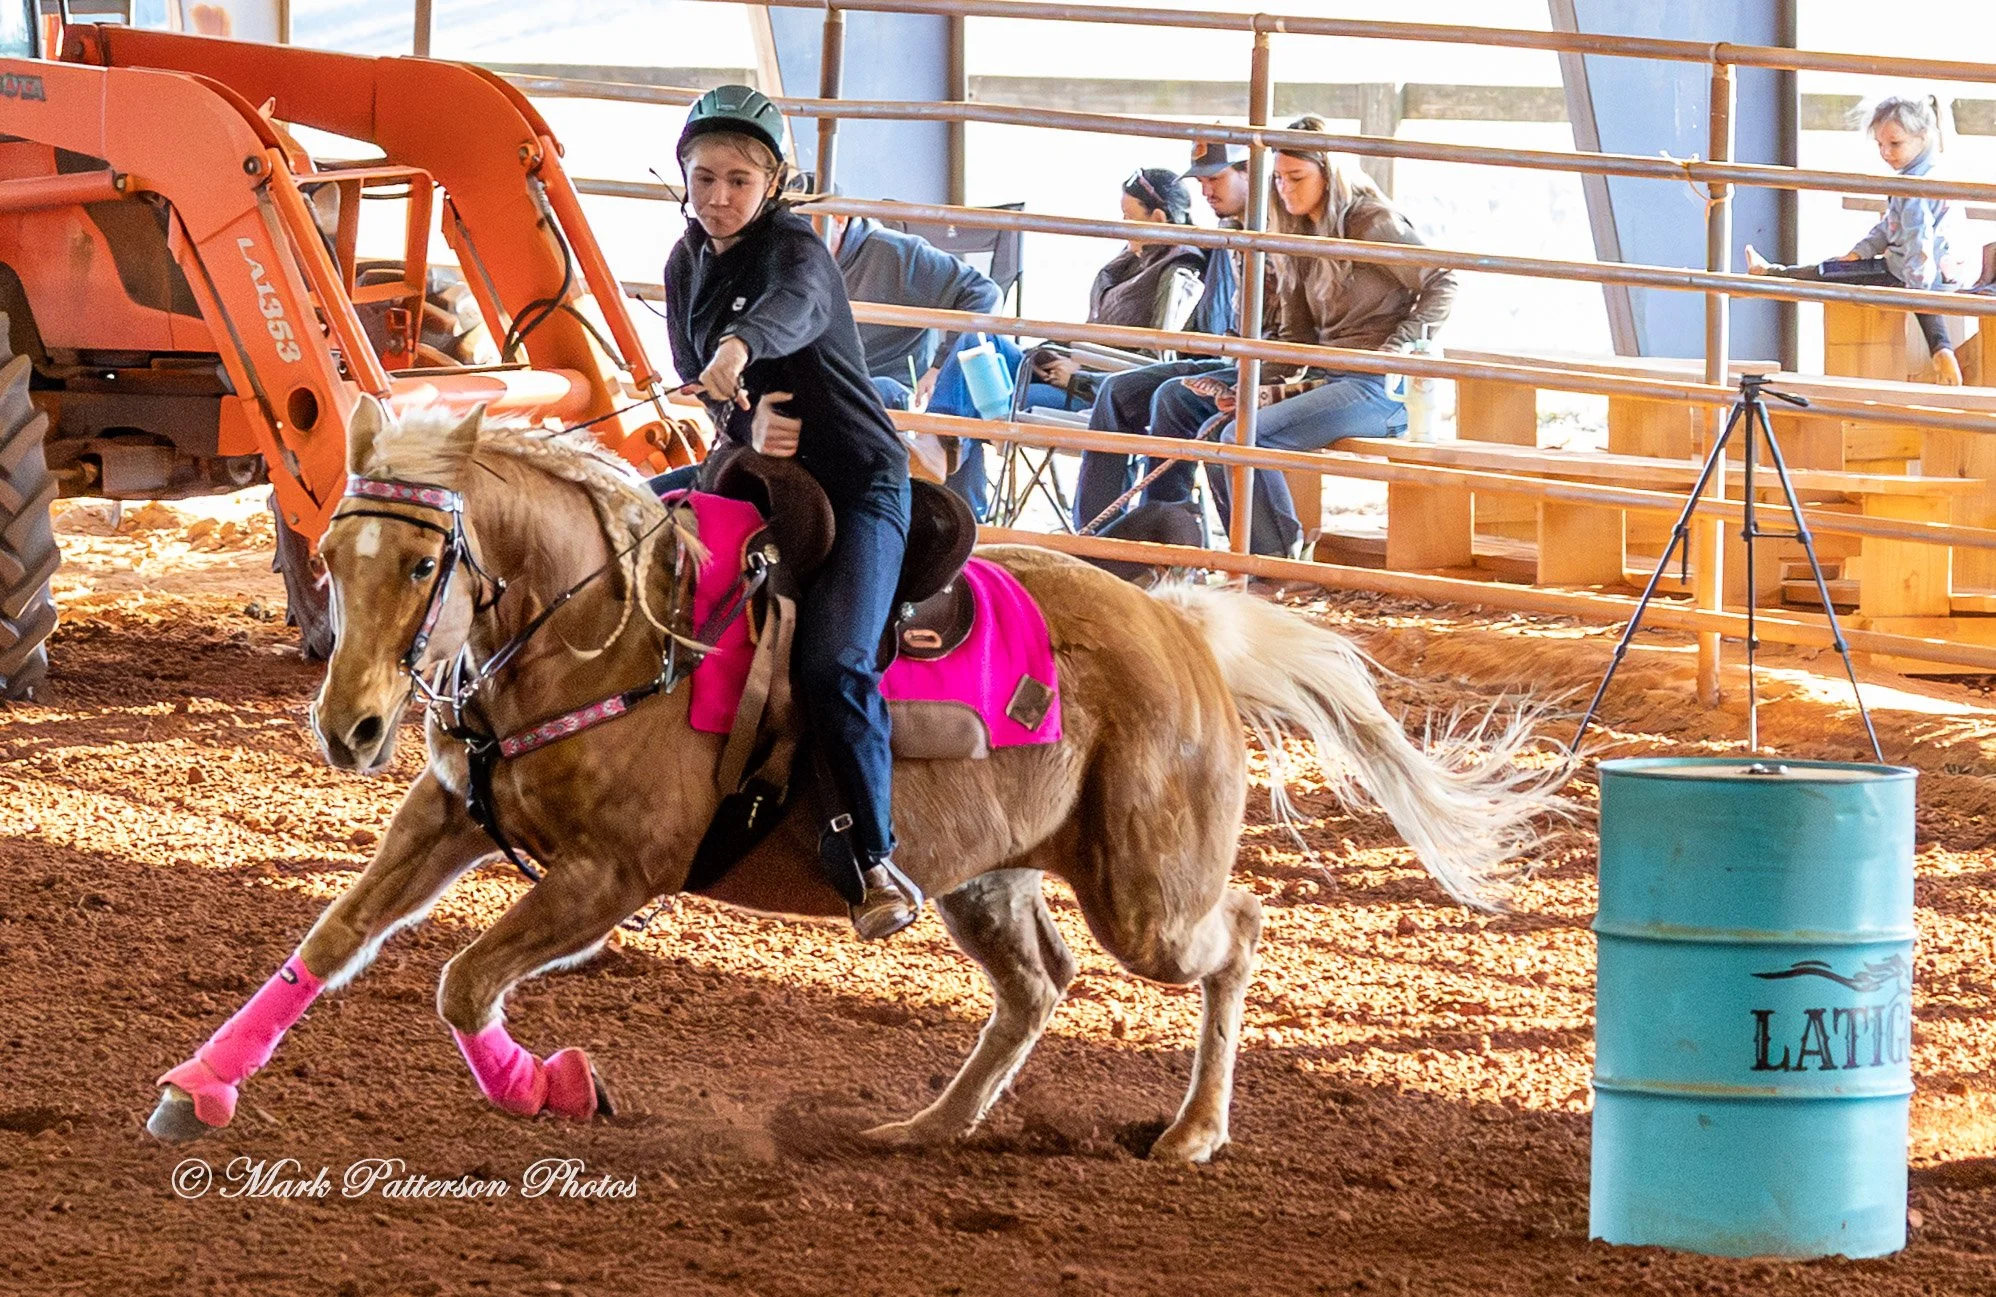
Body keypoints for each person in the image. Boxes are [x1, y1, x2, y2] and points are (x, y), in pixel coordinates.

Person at [660, 86, 922, 939]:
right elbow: (705, 385)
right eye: (704, 178)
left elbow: (792, 309)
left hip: (857, 482)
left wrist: (739, 350)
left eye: (739, 181)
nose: (718, 197)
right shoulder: (684, 263)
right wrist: (745, 424)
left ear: (773, 185)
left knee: (834, 662)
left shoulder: (798, 251)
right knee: (629, 532)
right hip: (763, 475)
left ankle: (873, 858)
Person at [1145, 116, 1457, 558]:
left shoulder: (1370, 220)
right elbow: (1296, 337)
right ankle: (1250, 557)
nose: (1285, 189)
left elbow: (1442, 278)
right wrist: (1250, 387)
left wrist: (1400, 347)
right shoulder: (1295, 233)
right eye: (1278, 178)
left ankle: (1276, 562)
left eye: (1297, 177)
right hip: (1333, 380)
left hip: (1381, 388)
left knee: (1244, 438)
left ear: (1329, 174)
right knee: (1224, 432)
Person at [1070, 139, 1270, 533]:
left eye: (1215, 179)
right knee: (1119, 392)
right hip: (1233, 358)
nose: (1206, 191)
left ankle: (1164, 526)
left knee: (1174, 396)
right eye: (1201, 182)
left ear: (1250, 174)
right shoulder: (1228, 231)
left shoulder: (1197, 255)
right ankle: (1099, 532)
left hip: (1262, 363)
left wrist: (1077, 376)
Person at [1745, 95, 1971, 386]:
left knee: (1829, 272)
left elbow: (1919, 242)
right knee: (1847, 267)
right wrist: (1861, 251)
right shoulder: (1930, 173)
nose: (1885, 153)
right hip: (1941, 270)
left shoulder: (1913, 187)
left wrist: (1918, 290)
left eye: (1895, 143)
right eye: (1880, 145)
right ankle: (1769, 274)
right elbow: (1890, 227)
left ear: (1923, 136)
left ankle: (1768, 275)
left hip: (1915, 273)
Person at [821, 209, 1005, 515]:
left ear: (838, 219)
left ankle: (959, 516)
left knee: (934, 399)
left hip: (898, 391)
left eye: (808, 228)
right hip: (829, 386)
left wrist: (940, 366)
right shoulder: (792, 262)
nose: (798, 243)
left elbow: (983, 293)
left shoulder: (896, 253)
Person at [1025, 167, 1207, 416]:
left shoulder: (1179, 271)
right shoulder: (1136, 257)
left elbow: (1158, 359)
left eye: (1129, 217)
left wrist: (1081, 375)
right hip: (1076, 367)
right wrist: (1050, 351)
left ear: (1158, 218)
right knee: (987, 348)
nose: (1122, 225)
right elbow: (1098, 327)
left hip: (1103, 393)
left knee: (1003, 397)